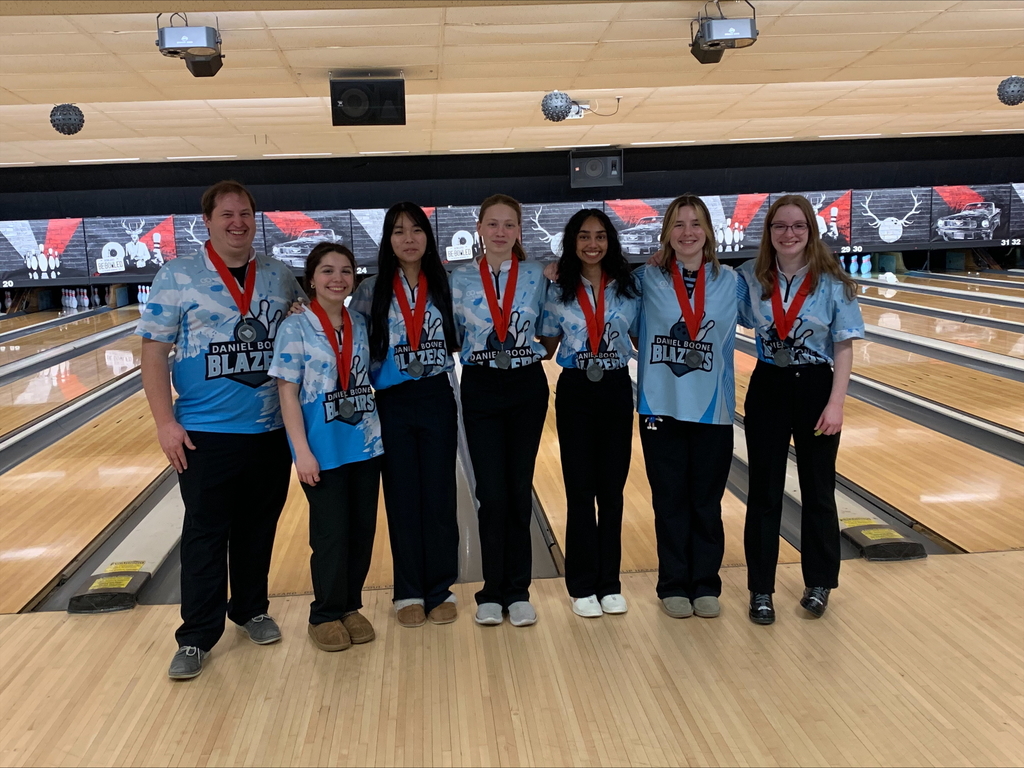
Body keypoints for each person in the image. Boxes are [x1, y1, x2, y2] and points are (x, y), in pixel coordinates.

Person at [137, 180, 304, 680]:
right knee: (206, 535)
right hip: (204, 432)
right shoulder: (178, 275)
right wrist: (165, 423)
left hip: (270, 430)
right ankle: (196, 636)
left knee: (259, 528)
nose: (237, 222)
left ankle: (251, 610)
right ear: (207, 221)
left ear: (255, 218)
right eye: (227, 214)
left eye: (246, 213)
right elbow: (152, 353)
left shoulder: (277, 275)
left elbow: (302, 330)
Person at [737, 194, 863, 624]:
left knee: (818, 490)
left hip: (815, 387)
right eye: (779, 226)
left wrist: (836, 404)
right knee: (765, 492)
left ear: (810, 230)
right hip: (768, 385)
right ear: (768, 233)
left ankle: (820, 582)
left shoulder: (834, 283)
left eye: (797, 226)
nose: (788, 234)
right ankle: (760, 589)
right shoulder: (750, 280)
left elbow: (843, 347)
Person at [349, 203, 461, 628]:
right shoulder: (370, 289)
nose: (409, 238)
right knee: (402, 496)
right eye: (398, 231)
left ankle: (441, 588)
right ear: (388, 240)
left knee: (438, 494)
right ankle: (408, 590)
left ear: (429, 237)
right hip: (390, 401)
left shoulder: (445, 285)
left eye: (416, 230)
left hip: (435, 395)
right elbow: (345, 336)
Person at [270, 243, 383, 651]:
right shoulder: (295, 326)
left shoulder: (358, 321)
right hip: (321, 448)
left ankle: (350, 606)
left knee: (362, 531)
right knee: (331, 534)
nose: (338, 278)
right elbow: (287, 391)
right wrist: (301, 451)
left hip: (365, 444)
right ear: (311, 279)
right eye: (327, 271)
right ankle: (325, 613)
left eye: (346, 271)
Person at [450, 194, 550, 627]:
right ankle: (491, 590)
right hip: (481, 387)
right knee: (490, 493)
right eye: (493, 224)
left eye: (509, 225)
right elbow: (452, 335)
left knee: (517, 490)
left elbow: (550, 332)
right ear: (480, 228)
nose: (501, 232)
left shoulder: (539, 275)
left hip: (527, 385)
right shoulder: (458, 279)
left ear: (519, 231)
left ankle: (519, 591)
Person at [636, 195, 737, 621]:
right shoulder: (646, 279)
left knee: (706, 503)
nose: (688, 232)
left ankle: (706, 584)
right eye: (678, 224)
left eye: (696, 224)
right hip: (659, 407)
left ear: (709, 232)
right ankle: (673, 583)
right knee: (670, 501)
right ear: (667, 233)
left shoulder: (733, 281)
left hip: (714, 410)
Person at [539, 209, 640, 618]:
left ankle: (610, 583)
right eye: (584, 237)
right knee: (580, 491)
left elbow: (640, 336)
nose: (592, 244)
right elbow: (546, 342)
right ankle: (582, 585)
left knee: (612, 493)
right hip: (576, 388)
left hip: (616, 386)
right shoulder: (557, 289)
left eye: (600, 236)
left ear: (610, 240)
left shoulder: (630, 287)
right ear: (572, 242)